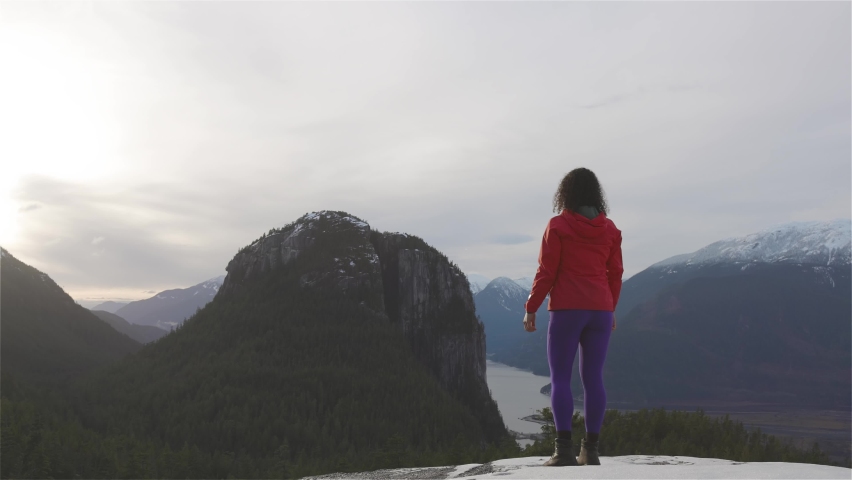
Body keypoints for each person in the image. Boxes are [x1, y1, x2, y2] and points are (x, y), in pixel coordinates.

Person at [522, 167, 623, 467]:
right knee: (593, 379)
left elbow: (547, 272)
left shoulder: (558, 226)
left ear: (566, 194)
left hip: (567, 310)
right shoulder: (611, 230)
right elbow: (615, 274)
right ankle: (590, 451)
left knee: (560, 379)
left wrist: (531, 307)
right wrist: (611, 307)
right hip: (600, 312)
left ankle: (563, 451)